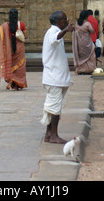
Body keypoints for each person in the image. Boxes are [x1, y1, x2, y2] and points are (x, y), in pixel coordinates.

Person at [41, 11, 74, 144]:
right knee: (55, 108)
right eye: (65, 20)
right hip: (53, 77)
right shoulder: (52, 32)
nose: (66, 21)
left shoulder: (55, 32)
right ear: (59, 22)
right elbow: (55, 39)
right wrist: (66, 30)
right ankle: (54, 134)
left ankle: (49, 133)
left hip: (58, 77)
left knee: (53, 106)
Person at [0, 8, 28, 90]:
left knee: (11, 65)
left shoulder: (5, 26)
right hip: (19, 48)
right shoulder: (21, 24)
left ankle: (11, 80)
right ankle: (17, 84)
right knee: (20, 67)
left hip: (9, 48)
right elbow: (26, 36)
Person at [72, 10, 96, 74]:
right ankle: (89, 69)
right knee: (90, 56)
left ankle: (80, 70)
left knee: (81, 57)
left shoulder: (77, 23)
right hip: (87, 43)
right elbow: (92, 32)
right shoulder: (87, 24)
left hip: (79, 43)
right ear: (86, 16)